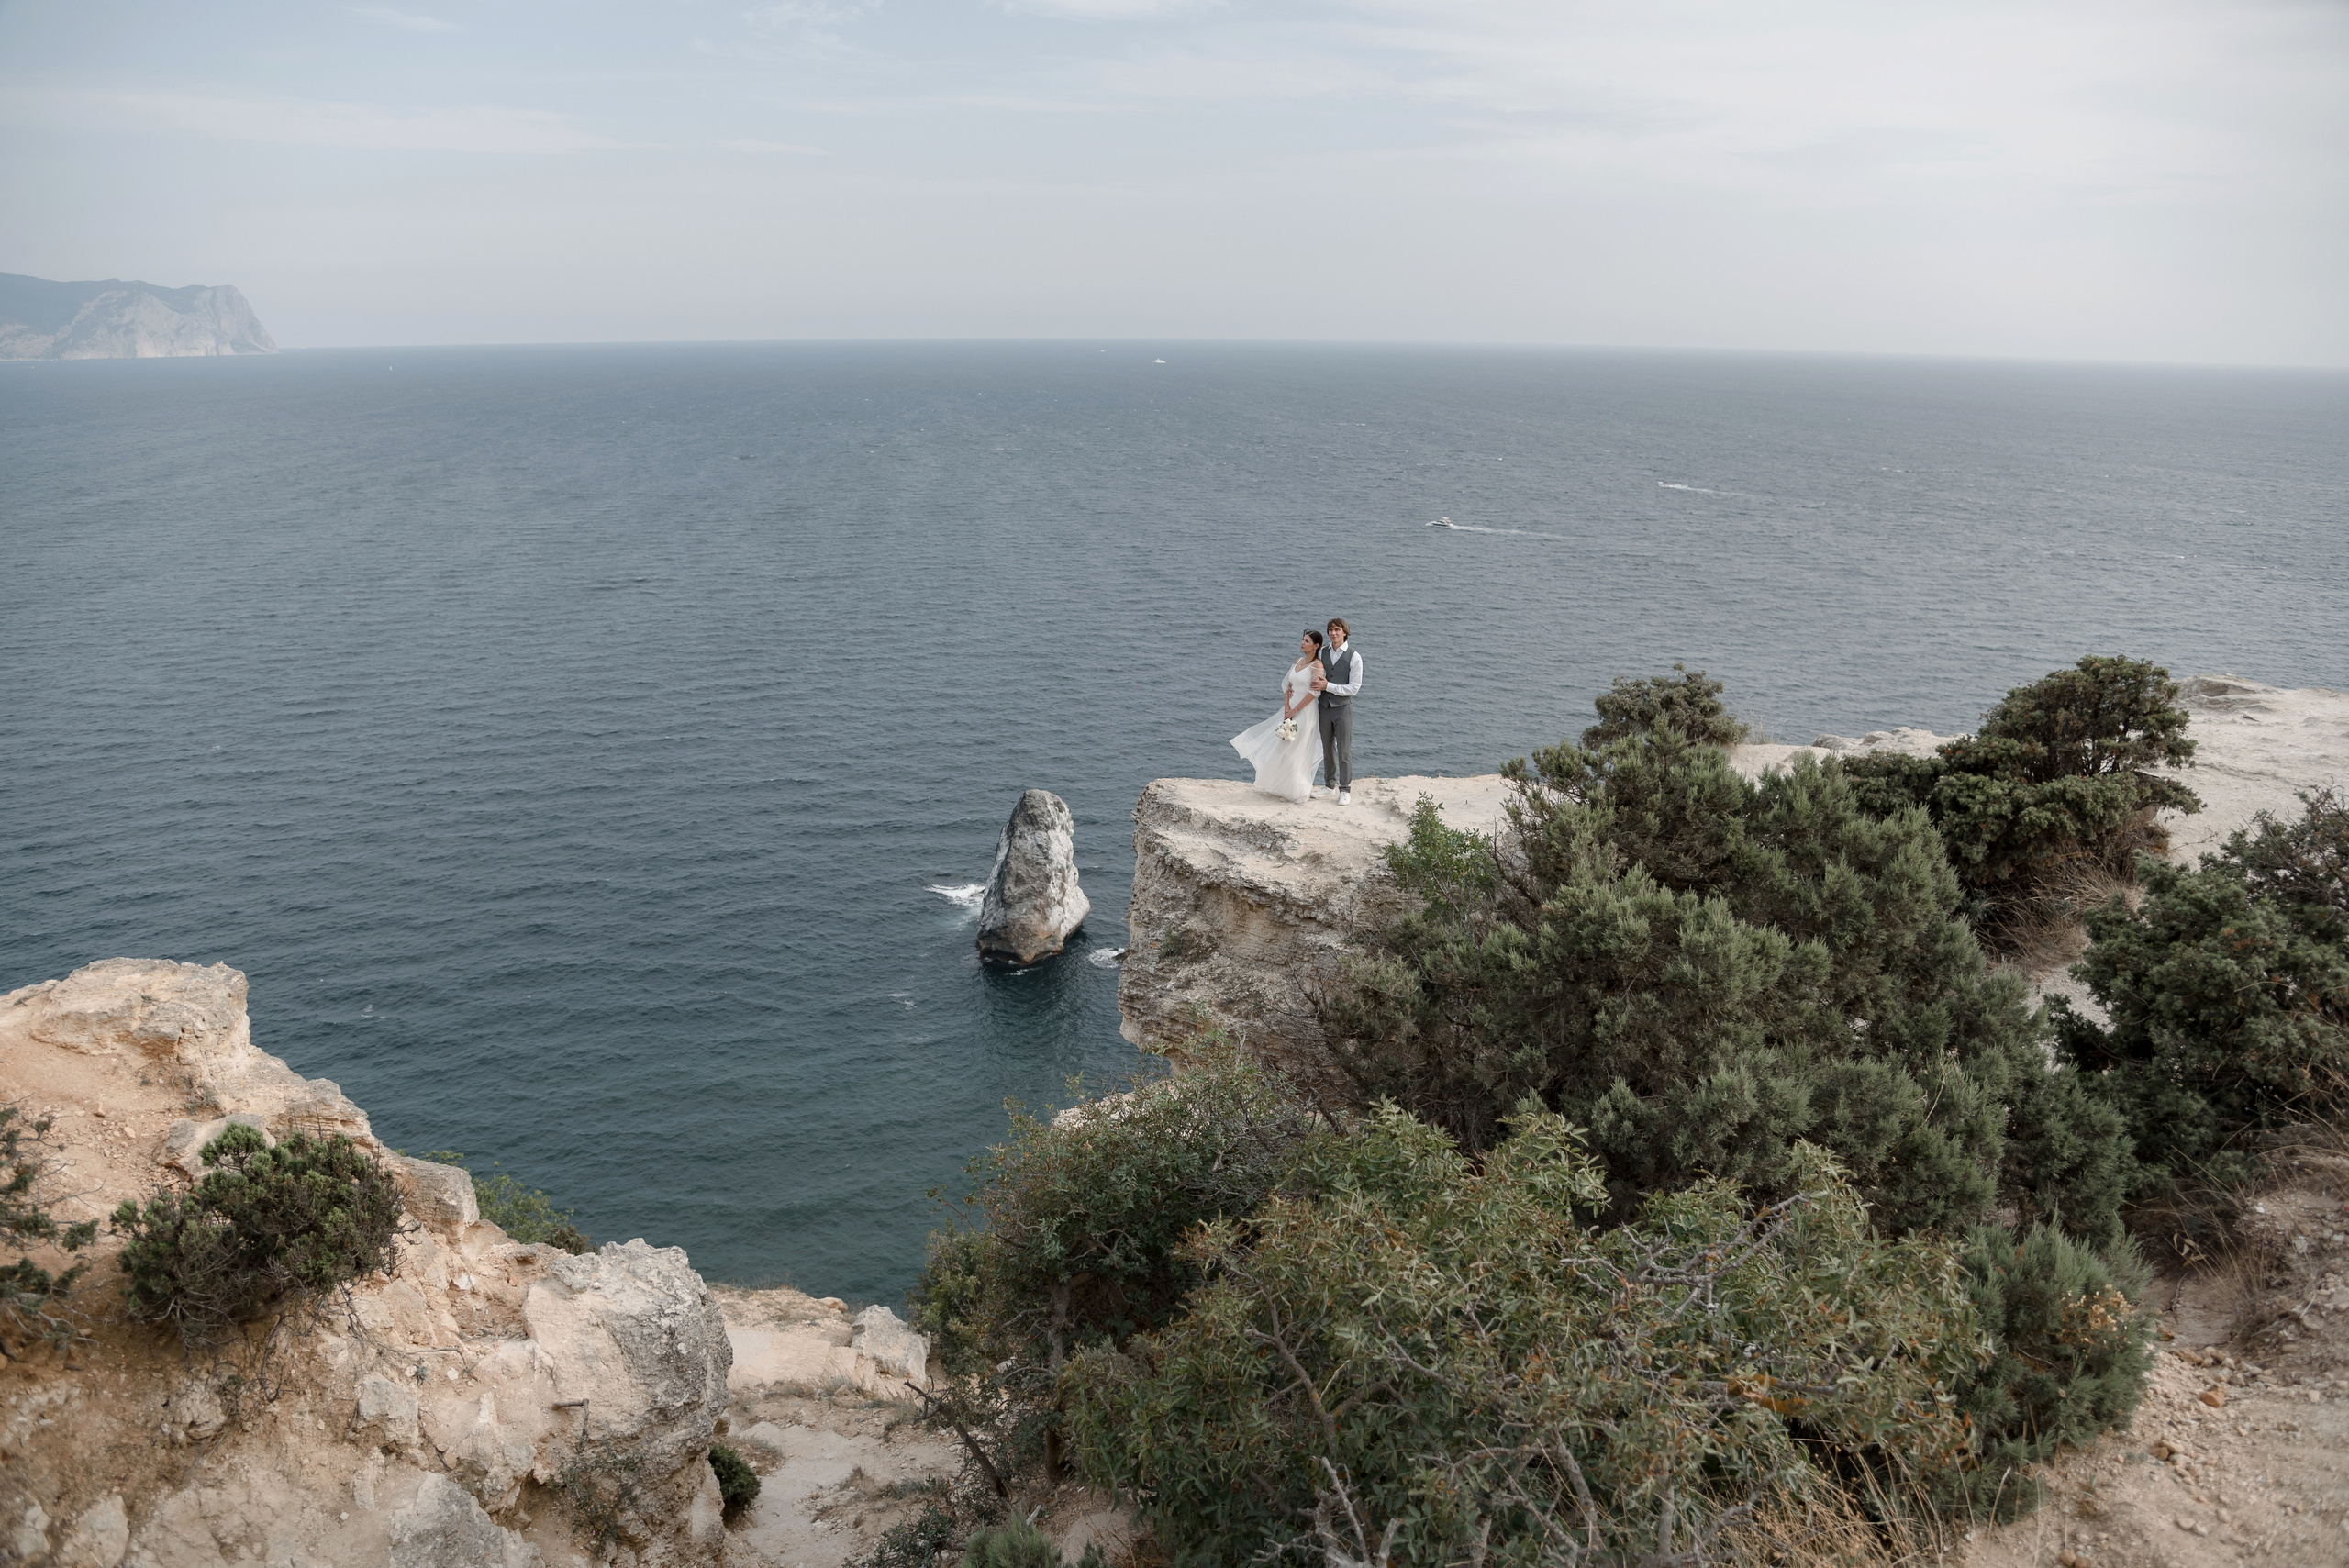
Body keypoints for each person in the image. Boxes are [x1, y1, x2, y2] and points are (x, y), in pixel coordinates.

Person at [1230, 629, 1327, 803]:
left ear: (1316, 645)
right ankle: (1282, 787)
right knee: (1283, 748)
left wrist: (1295, 710)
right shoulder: (1298, 662)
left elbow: (1314, 692)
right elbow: (1287, 685)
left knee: (1295, 749)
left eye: (1306, 641)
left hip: (1305, 712)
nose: (1302, 643)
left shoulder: (1317, 666)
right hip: (1290, 709)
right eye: (1302, 639)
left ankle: (1299, 791)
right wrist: (1287, 707)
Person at [1309, 617, 1363, 804]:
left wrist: (1328, 686)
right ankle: (1329, 785)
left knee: (1344, 749)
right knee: (1327, 748)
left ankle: (1345, 789)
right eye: (1331, 630)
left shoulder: (1354, 656)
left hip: (1342, 709)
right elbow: (1312, 677)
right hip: (1324, 707)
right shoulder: (1322, 653)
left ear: (1345, 633)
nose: (1333, 633)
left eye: (1337, 630)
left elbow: (1354, 688)